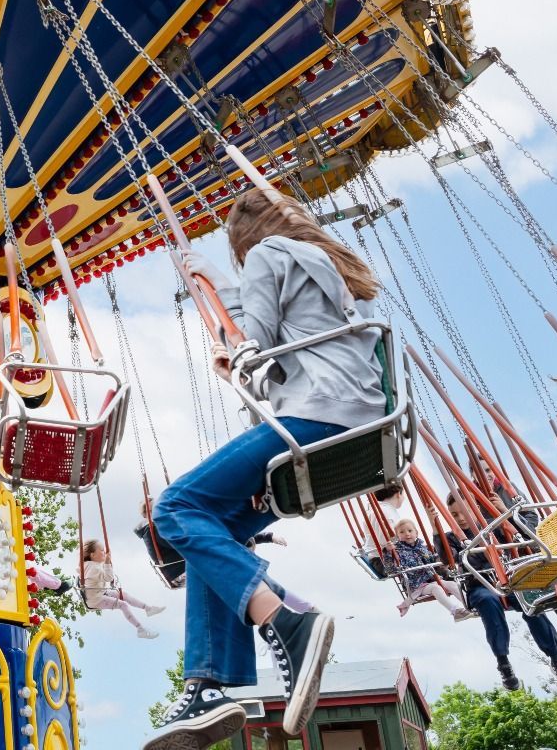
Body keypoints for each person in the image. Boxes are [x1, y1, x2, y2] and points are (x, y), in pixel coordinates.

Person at [147, 187, 391, 749]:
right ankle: (210, 686)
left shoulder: (265, 255)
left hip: (315, 416)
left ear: (243, 240)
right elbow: (283, 332)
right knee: (219, 530)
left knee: (176, 508)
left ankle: (285, 619)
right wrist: (219, 286)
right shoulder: (337, 268)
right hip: (361, 424)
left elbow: (253, 346)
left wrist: (228, 346)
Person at [471, 461, 557, 665]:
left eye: (488, 470)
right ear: (474, 478)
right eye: (480, 473)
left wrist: (505, 511)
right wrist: (498, 517)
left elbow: (530, 518)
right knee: (552, 591)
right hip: (515, 555)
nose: (487, 475)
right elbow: (489, 533)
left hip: (533, 544)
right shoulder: (475, 501)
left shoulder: (507, 489)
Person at [428, 494, 557, 691]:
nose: (461, 519)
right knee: (488, 602)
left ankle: (556, 657)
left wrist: (505, 513)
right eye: (454, 515)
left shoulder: (492, 525)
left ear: (474, 509)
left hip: (507, 582)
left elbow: (518, 535)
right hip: (479, 586)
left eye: (464, 513)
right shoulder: (451, 538)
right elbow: (447, 560)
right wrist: (434, 527)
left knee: (529, 602)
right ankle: (503, 662)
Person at [387, 517, 474, 621]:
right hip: (416, 585)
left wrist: (443, 557)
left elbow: (431, 559)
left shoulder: (422, 547)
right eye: (402, 532)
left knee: (453, 584)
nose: (407, 534)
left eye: (410, 531)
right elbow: (390, 569)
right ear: (397, 536)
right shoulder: (397, 551)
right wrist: (388, 553)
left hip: (432, 579)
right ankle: (456, 611)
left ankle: (472, 606)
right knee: (436, 589)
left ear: (416, 533)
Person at [81, 538, 164, 638]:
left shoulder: (89, 565)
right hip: (96, 600)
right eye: (102, 550)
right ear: (93, 555)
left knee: (123, 595)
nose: (105, 552)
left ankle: (148, 608)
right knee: (123, 605)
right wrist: (107, 562)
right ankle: (140, 629)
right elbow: (108, 577)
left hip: (99, 593)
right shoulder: (93, 568)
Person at [135, 501, 187, 588]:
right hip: (179, 572)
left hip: (176, 571)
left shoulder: (150, 529)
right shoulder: (153, 529)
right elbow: (173, 543)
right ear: (145, 514)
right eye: (152, 510)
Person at [361, 483, 405, 576]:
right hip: (384, 561)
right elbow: (386, 540)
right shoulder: (385, 512)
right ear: (398, 494)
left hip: (379, 558)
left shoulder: (376, 509)